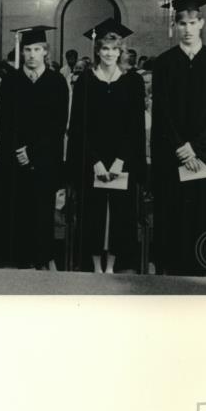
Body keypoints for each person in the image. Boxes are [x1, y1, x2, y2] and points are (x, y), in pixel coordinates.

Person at [151, 0, 206, 276]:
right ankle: (167, 276)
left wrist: (196, 149)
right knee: (169, 215)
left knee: (198, 218)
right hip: (172, 158)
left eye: (192, 22)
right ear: (175, 26)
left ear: (202, 23)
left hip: (202, 159)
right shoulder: (163, 63)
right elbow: (161, 113)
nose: (187, 28)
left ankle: (197, 278)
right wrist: (179, 147)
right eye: (182, 23)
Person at [66, 20, 146, 273]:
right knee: (93, 213)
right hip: (94, 161)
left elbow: (134, 126)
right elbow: (79, 127)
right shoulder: (85, 82)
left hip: (122, 160)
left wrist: (121, 160)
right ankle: (94, 266)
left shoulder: (132, 82)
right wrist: (96, 161)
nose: (109, 53)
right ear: (97, 51)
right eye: (104, 48)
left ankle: (111, 265)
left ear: (120, 51)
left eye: (114, 49)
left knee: (119, 215)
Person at [0, 26, 69, 270]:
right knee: (19, 211)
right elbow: (4, 121)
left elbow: (58, 124)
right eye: (27, 49)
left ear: (45, 52)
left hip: (45, 159)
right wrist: (18, 150)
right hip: (15, 159)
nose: (31, 54)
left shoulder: (57, 81)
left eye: (37, 49)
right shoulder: (11, 81)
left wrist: (33, 152)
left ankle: (42, 260)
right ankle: (22, 263)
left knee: (42, 211)